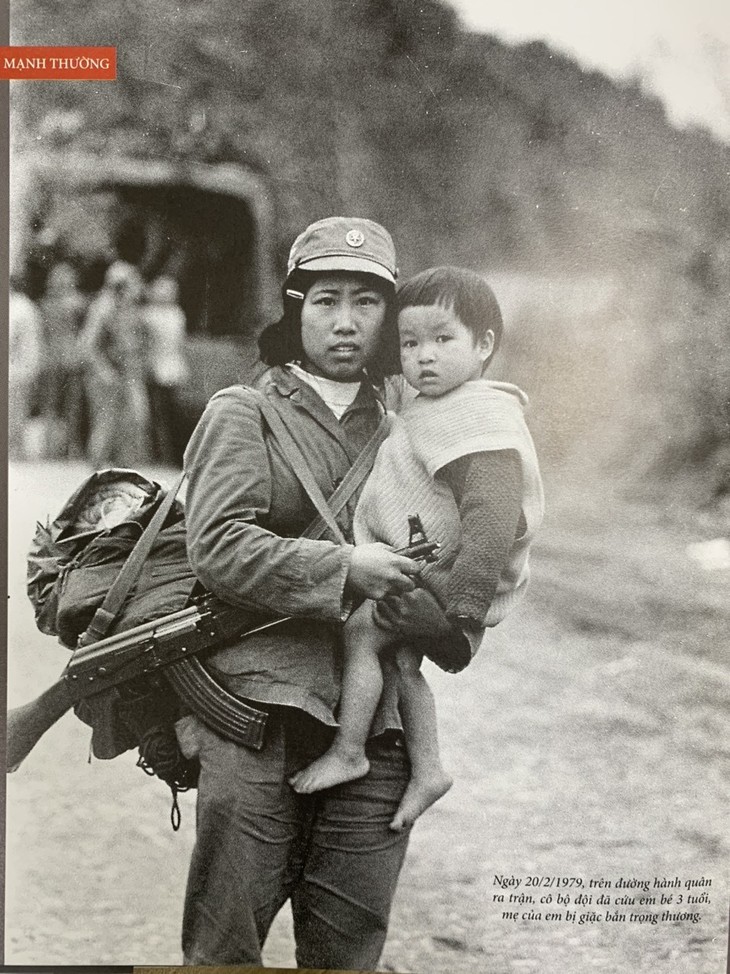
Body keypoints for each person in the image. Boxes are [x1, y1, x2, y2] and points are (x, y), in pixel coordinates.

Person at [179, 218, 472, 969]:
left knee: (347, 952)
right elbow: (217, 547)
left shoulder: (416, 430)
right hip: (257, 711)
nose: (345, 322)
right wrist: (345, 569)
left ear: (390, 317)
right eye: (325, 301)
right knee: (224, 947)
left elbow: (465, 558)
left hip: (376, 730)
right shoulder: (243, 413)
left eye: (366, 303)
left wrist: (444, 616)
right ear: (295, 310)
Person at [290, 266, 545, 832]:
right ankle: (429, 769)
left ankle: (349, 751)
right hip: (434, 573)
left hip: (450, 584)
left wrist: (462, 609)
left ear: (484, 346)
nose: (424, 356)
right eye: (409, 343)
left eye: (442, 339)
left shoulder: (480, 417)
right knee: (402, 662)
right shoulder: (437, 400)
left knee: (362, 634)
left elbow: (492, 519)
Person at [80, 261, 150, 467]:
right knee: (106, 423)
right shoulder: (103, 309)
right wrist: (104, 371)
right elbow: (88, 346)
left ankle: (125, 468)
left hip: (129, 372)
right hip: (107, 374)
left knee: (135, 421)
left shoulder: (130, 310)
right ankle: (98, 470)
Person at [37, 262, 88, 458]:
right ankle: (54, 447)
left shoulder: (73, 303)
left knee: (68, 406)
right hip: (59, 357)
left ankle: (65, 447)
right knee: (57, 405)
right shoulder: (51, 304)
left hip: (66, 357)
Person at [141, 275, 189, 465]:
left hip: (172, 367)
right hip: (155, 367)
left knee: (170, 413)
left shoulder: (177, 314)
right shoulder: (149, 315)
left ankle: (171, 454)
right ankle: (157, 453)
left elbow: (178, 344)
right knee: (155, 413)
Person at [8, 274, 42, 460]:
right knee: (19, 409)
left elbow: (11, 338)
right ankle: (16, 448)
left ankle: (14, 449)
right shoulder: (27, 305)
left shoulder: (17, 306)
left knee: (14, 410)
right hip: (27, 366)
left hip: (18, 367)